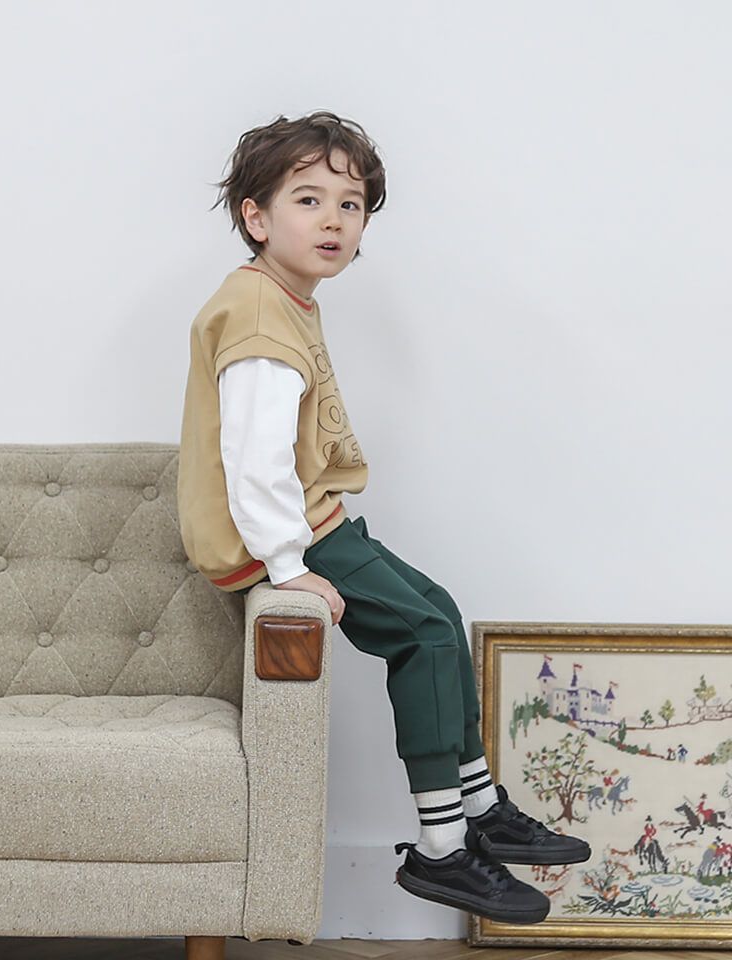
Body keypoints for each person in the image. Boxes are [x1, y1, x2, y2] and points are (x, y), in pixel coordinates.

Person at [177, 110, 591, 925]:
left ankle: (480, 807)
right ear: (256, 217)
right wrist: (289, 566)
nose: (332, 220)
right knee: (424, 636)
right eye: (307, 200)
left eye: (351, 204)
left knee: (437, 608)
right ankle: (443, 848)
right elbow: (254, 460)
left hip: (313, 519)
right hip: (282, 537)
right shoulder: (258, 317)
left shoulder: (282, 297)